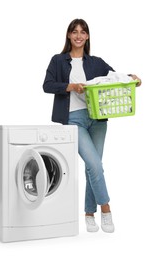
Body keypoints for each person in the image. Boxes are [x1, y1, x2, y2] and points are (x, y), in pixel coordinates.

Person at [43, 18, 141, 233]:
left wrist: (132, 77)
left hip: (97, 119)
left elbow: (115, 78)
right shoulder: (58, 60)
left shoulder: (95, 62)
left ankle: (89, 213)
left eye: (83, 32)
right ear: (69, 35)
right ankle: (106, 209)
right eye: (74, 31)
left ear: (87, 36)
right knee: (96, 166)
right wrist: (70, 86)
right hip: (73, 119)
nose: (78, 35)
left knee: (92, 167)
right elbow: (47, 85)